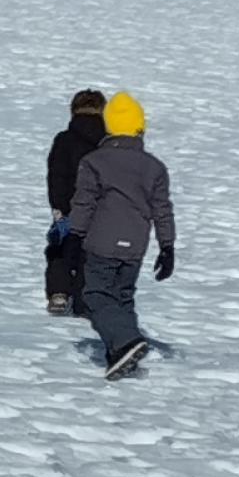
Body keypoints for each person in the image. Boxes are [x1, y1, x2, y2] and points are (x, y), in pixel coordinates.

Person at [63, 92, 176, 380]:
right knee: (122, 296)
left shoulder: (94, 161)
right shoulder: (155, 167)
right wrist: (167, 247)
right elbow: (162, 210)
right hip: (135, 246)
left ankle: (126, 341)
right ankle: (120, 353)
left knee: (96, 295)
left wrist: (74, 235)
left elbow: (85, 202)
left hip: (102, 241)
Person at [44, 89, 106, 316]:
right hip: (101, 210)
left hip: (70, 206)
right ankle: (85, 299)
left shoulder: (64, 140)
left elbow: (56, 175)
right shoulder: (109, 141)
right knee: (91, 256)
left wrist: (58, 207)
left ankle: (59, 293)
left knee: (59, 250)